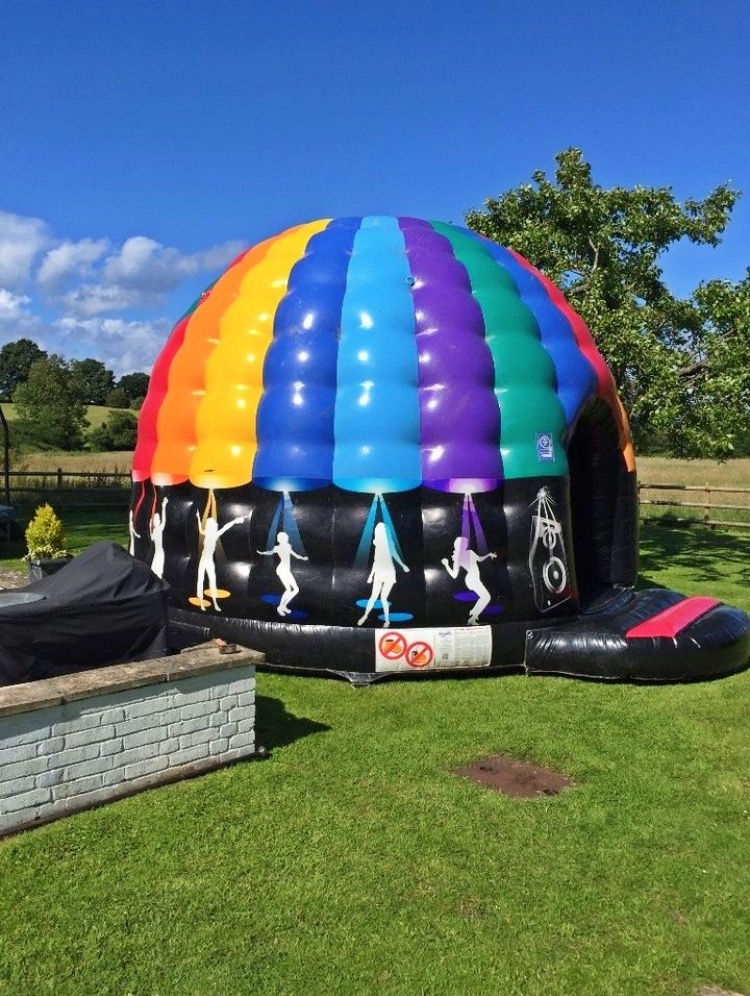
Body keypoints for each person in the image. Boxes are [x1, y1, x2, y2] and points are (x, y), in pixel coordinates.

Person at [358, 521, 409, 628]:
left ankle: (387, 621)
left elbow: (395, 555)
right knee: (373, 597)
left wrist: (403, 565)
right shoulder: (377, 543)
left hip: (389, 572)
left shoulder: (389, 543)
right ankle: (365, 615)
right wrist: (371, 576)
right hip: (379, 572)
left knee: (383, 599)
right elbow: (376, 560)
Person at [195, 511, 249, 611]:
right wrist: (198, 517)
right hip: (203, 559)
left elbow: (225, 527)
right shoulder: (207, 533)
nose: (211, 525)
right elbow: (200, 529)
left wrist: (235, 521)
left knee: (212, 580)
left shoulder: (215, 534)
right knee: (201, 579)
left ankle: (215, 602)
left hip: (209, 559)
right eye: (210, 524)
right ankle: (201, 602)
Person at [442, 535, 496, 625]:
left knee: (485, 597)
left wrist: (489, 555)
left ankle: (472, 617)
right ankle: (473, 614)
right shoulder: (459, 558)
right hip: (472, 579)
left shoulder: (470, 553)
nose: (466, 545)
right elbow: (454, 575)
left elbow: (479, 559)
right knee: (486, 597)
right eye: (464, 544)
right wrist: (447, 565)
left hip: (474, 578)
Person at [257, 531, 308, 616]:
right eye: (283, 538)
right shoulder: (278, 547)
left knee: (293, 590)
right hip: (282, 570)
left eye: (285, 538)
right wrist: (262, 553)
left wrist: (303, 558)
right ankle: (281, 607)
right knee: (292, 589)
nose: (285, 539)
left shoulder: (288, 546)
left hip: (285, 570)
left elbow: (295, 555)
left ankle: (283, 606)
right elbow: (270, 552)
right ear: (280, 539)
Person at [149, 496, 168, 578]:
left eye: (158, 519)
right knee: (153, 570)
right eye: (155, 519)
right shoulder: (155, 531)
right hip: (156, 553)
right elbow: (152, 538)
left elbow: (164, 521)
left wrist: (164, 507)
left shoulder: (160, 528)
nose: (157, 521)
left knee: (159, 572)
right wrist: (150, 526)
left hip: (160, 553)